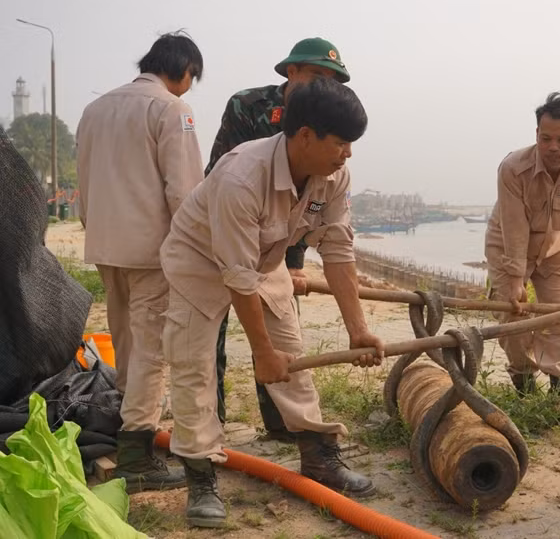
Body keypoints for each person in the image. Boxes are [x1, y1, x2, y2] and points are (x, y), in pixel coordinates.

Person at [160, 77, 383, 528]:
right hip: (199, 261)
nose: (348, 154)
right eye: (341, 143)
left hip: (264, 258)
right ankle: (201, 473)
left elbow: (337, 250)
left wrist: (358, 329)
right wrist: (261, 354)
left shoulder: (333, 175)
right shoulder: (242, 175)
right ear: (305, 136)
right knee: (193, 363)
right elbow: (235, 276)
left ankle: (319, 458)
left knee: (291, 351)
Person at [76, 32, 204, 492]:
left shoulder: (95, 109)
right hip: (153, 251)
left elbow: (84, 182)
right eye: (192, 78)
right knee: (152, 349)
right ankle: (135, 456)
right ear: (184, 69)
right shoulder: (173, 110)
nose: (189, 87)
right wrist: (194, 252)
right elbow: (185, 192)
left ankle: (130, 422)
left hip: (106, 245)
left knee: (126, 338)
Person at [206, 37, 350, 440]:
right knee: (207, 339)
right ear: (291, 72)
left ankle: (282, 425)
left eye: (333, 80)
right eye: (317, 75)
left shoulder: (331, 123)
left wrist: (294, 262)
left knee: (281, 339)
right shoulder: (248, 107)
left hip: (275, 243)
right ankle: (210, 428)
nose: (325, 85)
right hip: (228, 229)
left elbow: (312, 200)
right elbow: (226, 179)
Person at [485, 92, 560, 430]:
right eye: (545, 137)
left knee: (559, 316)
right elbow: (514, 227)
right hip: (507, 243)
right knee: (511, 316)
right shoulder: (512, 168)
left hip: (555, 250)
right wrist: (516, 280)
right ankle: (524, 386)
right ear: (536, 133)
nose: (553, 146)